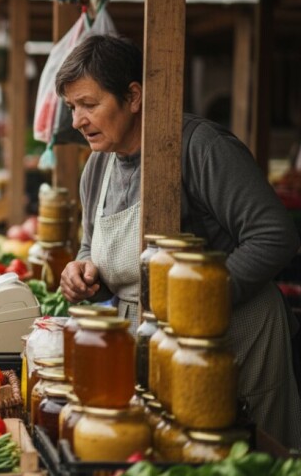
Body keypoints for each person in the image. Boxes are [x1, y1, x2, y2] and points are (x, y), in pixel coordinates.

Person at [56, 35, 301, 449]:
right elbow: (89, 245)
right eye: (72, 108)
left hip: (234, 338)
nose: (78, 120)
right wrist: (81, 270)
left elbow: (275, 235)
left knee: (248, 456)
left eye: (89, 104)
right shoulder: (97, 167)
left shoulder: (200, 147)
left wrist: (197, 301)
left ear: (133, 96)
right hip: (156, 342)